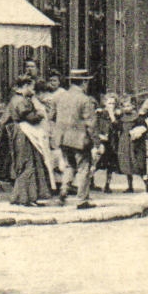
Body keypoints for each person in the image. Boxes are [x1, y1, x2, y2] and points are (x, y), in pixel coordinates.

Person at [0, 75, 53, 206]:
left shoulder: (17, 99)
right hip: (23, 133)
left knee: (30, 163)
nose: (33, 90)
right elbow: (30, 117)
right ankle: (24, 198)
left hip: (25, 133)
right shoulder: (20, 101)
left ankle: (27, 197)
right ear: (25, 86)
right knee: (27, 164)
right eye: (31, 87)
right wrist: (40, 113)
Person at [53, 69, 99, 209]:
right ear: (84, 82)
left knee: (69, 166)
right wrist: (97, 142)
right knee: (84, 168)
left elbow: (52, 116)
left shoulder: (60, 97)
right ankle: (81, 199)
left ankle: (63, 193)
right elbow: (91, 123)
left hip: (63, 138)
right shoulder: (85, 99)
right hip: (80, 139)